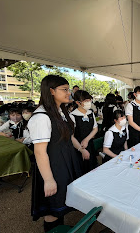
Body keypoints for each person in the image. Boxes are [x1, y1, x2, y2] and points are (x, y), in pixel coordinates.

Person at [27, 75, 82, 232]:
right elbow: (39, 152)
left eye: (68, 89)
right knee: (52, 209)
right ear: (51, 91)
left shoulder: (60, 112)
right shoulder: (41, 117)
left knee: (61, 205)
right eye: (64, 89)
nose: (68, 93)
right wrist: (49, 180)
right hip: (53, 168)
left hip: (64, 165)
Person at [70, 90, 98, 174]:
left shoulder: (90, 113)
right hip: (78, 147)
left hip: (89, 144)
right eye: (86, 101)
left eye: (89, 100)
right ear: (78, 102)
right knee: (81, 171)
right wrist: (81, 149)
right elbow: (71, 136)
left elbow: (95, 129)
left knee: (92, 169)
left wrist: (87, 139)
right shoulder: (72, 116)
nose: (88, 102)